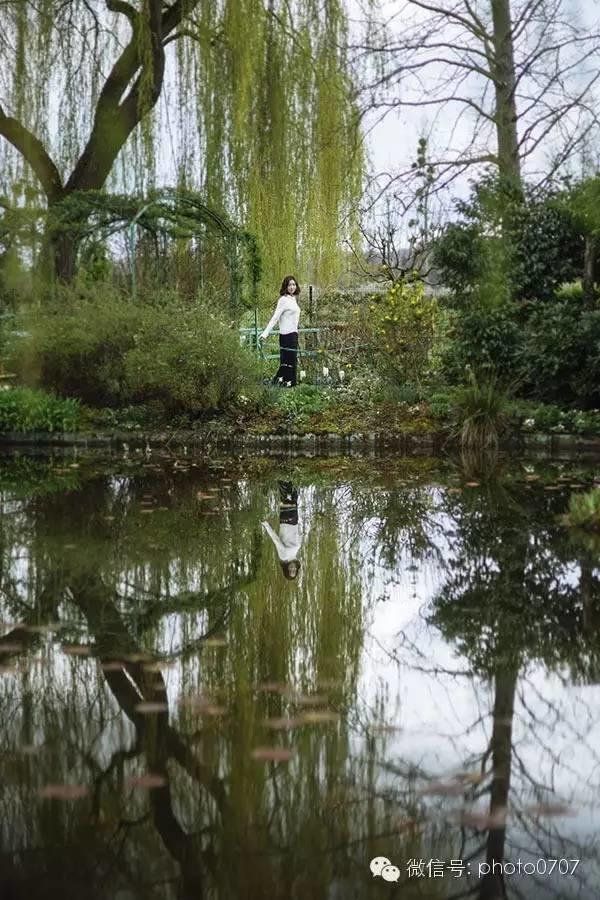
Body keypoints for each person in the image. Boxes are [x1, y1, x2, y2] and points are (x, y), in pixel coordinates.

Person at [259, 275, 301, 386]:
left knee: (292, 360)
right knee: (286, 361)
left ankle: (289, 383)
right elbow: (275, 317)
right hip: (286, 335)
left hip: (294, 334)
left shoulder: (294, 299)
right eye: (289, 285)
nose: (292, 287)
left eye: (293, 284)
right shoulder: (283, 300)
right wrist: (265, 333)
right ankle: (280, 382)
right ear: (285, 287)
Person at [261, 482, 301, 580]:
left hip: (286, 522)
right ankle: (289, 479)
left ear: (286, 569)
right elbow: (298, 536)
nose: (293, 569)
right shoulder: (295, 557)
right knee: (294, 499)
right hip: (294, 523)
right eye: (294, 571)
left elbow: (276, 540)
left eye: (290, 571)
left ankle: (280, 479)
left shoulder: (283, 556)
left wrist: (266, 525)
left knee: (286, 500)